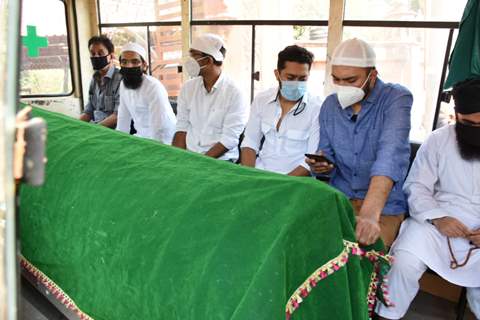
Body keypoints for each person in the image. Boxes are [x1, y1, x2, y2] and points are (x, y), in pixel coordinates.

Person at [376, 78, 480, 319]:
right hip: (436, 223)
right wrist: (438, 218)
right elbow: (417, 185)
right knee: (403, 262)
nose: (474, 130)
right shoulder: (438, 140)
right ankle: (386, 316)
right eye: (467, 123)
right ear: (456, 115)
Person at [307, 38, 413, 247]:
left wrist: (370, 215)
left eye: (351, 80)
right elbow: (326, 155)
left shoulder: (396, 98)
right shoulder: (329, 106)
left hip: (383, 208)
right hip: (341, 201)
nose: (343, 86)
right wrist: (322, 166)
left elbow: (390, 156)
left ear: (372, 76)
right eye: (337, 80)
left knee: (365, 258)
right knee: (315, 250)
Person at [240, 45, 322, 176]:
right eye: (290, 78)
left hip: (294, 183)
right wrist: (250, 176)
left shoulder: (317, 108)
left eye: (302, 79)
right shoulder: (262, 100)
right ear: (277, 74)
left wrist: (280, 185)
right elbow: (250, 142)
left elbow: (309, 161)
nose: (296, 83)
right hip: (259, 174)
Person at [172, 33, 248, 162]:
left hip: (220, 161)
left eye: (194, 55)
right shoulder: (188, 88)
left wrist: (200, 163)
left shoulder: (235, 93)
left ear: (208, 60)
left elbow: (229, 139)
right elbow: (181, 127)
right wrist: (178, 160)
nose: (189, 60)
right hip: (189, 157)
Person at [116, 42, 176, 144]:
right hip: (142, 136)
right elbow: (123, 118)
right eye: (124, 62)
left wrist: (153, 149)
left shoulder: (153, 87)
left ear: (144, 65)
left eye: (135, 62)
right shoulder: (123, 85)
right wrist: (119, 142)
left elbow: (159, 126)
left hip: (165, 140)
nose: (129, 66)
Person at [80, 35, 122, 128]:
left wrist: (95, 130)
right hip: (96, 127)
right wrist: (75, 126)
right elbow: (89, 111)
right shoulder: (94, 79)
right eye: (93, 53)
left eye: (100, 53)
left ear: (110, 56)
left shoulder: (120, 79)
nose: (96, 56)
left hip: (112, 131)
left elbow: (117, 115)